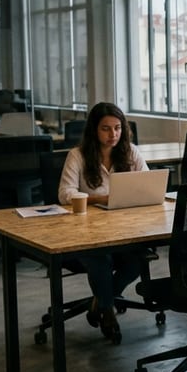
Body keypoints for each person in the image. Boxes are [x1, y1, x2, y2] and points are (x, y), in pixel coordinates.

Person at [57, 102, 148, 342]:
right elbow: (65, 194)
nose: (113, 134)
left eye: (118, 128)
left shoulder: (131, 153)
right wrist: (101, 198)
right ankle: (108, 312)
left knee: (137, 261)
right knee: (100, 261)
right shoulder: (77, 156)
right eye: (106, 129)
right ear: (94, 131)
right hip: (87, 233)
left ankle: (100, 303)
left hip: (124, 229)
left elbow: (149, 184)